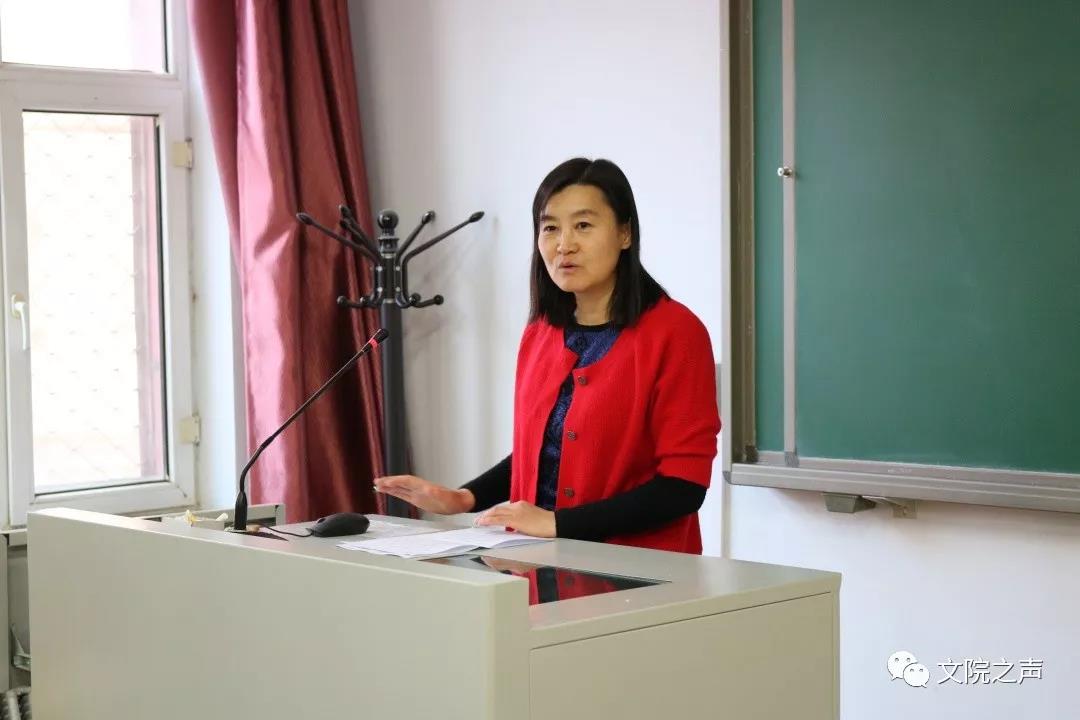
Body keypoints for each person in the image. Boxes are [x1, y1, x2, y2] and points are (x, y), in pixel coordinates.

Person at [374, 158, 721, 554]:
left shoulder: (676, 333)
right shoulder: (541, 332)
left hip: (638, 570)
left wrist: (558, 524)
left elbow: (683, 487)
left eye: (583, 225)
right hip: (535, 562)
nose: (564, 245)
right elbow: (542, 449)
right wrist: (464, 498)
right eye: (550, 228)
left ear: (625, 233)